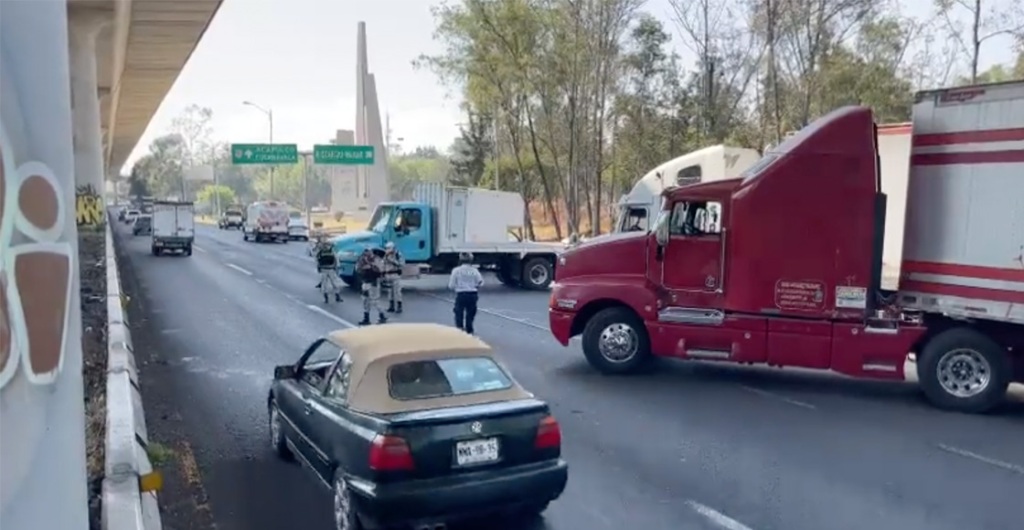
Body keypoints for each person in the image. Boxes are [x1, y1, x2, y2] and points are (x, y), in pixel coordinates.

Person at [448, 252, 483, 334]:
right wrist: (474, 286)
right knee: (470, 312)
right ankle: (469, 329)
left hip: (461, 294)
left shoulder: (456, 271)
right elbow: (480, 282)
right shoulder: (474, 271)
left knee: (459, 312)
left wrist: (457, 287)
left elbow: (451, 285)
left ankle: (459, 329)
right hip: (472, 294)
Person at [356, 247, 387, 325]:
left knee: (375, 300)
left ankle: (382, 315)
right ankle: (366, 318)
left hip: (374, 283)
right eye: (366, 252)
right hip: (365, 282)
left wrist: (371, 266)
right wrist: (363, 267)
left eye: (368, 252)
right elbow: (357, 269)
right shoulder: (362, 259)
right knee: (365, 300)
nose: (367, 254)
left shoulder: (376, 259)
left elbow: (381, 270)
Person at [314, 236, 343, 304]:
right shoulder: (324, 252)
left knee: (333, 283)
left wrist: (337, 266)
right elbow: (317, 260)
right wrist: (337, 266)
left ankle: (335, 296)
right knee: (329, 284)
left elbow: (336, 259)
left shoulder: (326, 251)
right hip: (327, 269)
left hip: (329, 269)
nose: (326, 246)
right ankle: (329, 297)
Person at [383, 242, 405, 313]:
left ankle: (399, 306)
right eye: (386, 248)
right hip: (388, 275)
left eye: (389, 248)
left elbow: (402, 264)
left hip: (395, 275)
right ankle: (391, 306)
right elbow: (383, 264)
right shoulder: (386, 255)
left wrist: (393, 261)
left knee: (397, 291)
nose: (387, 250)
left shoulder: (398, 254)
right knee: (390, 292)